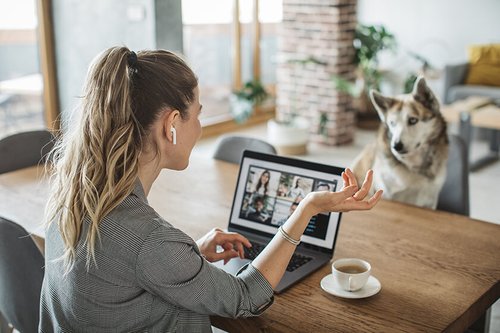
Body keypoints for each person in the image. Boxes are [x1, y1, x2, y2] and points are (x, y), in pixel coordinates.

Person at [39, 46, 382, 332]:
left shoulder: (71, 197)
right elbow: (248, 298)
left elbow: (123, 273)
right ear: (172, 124)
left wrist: (190, 257)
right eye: (197, 115)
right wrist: (307, 209)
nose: (200, 128)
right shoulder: (150, 241)